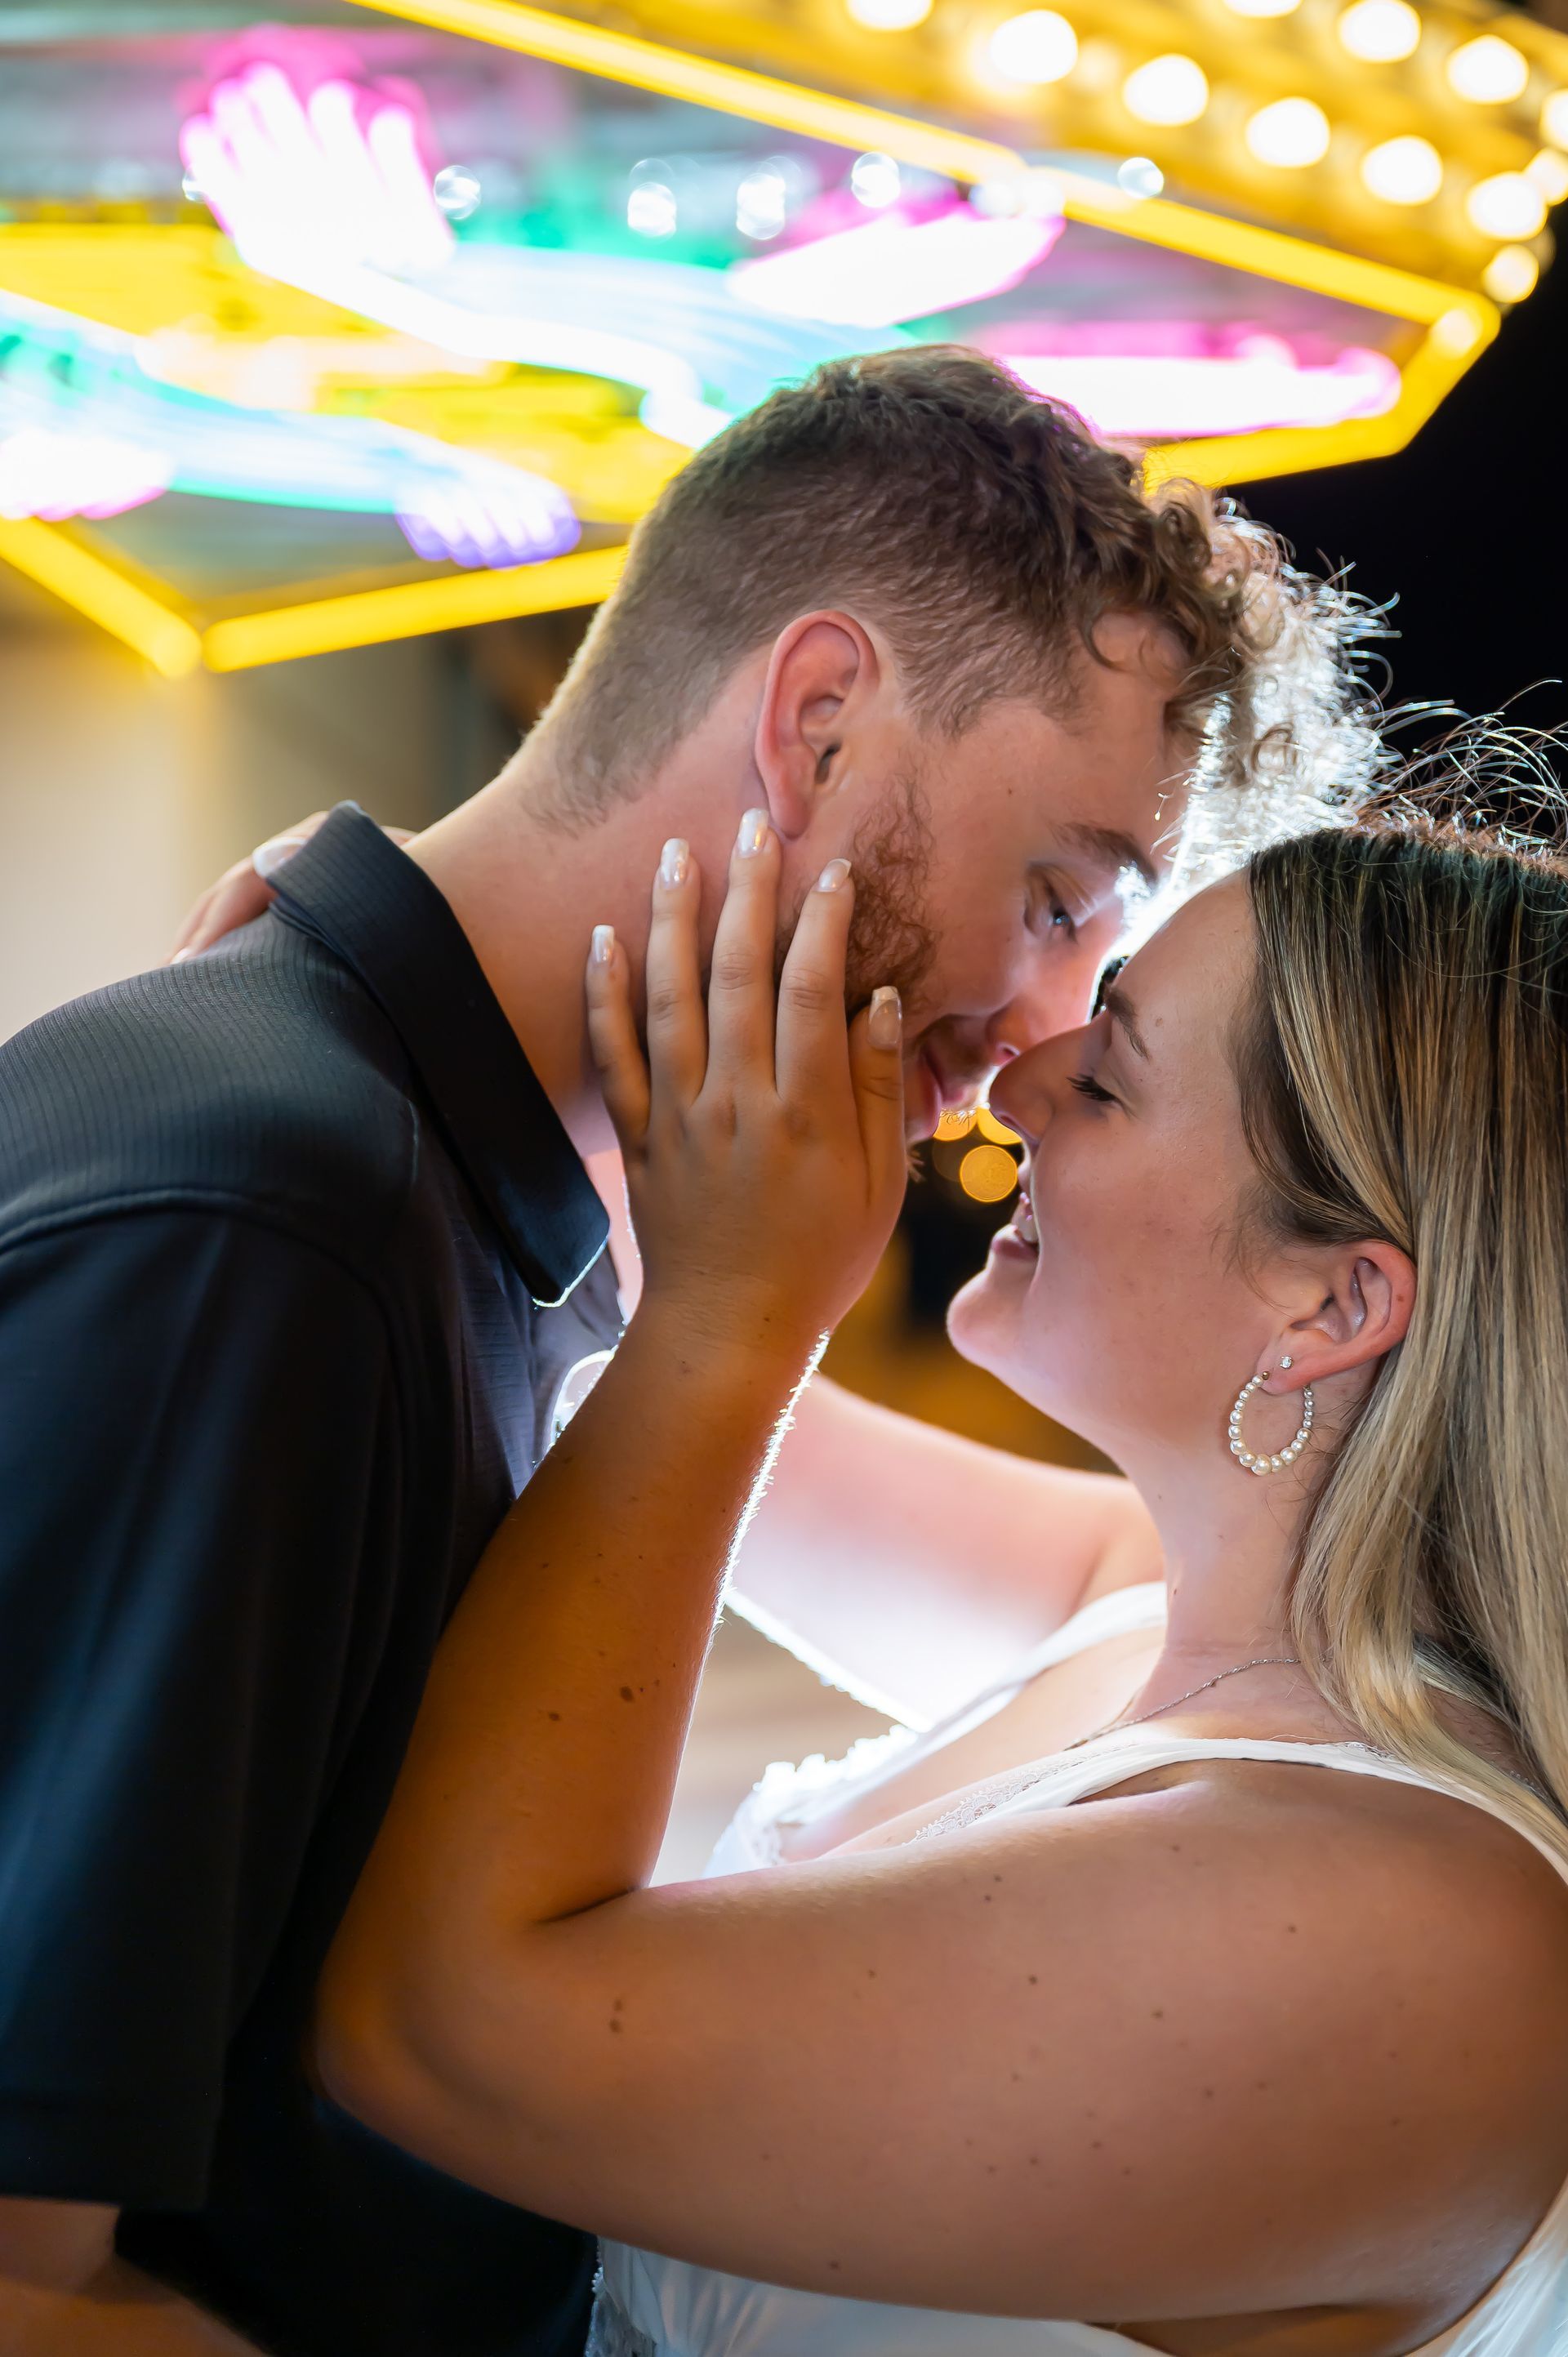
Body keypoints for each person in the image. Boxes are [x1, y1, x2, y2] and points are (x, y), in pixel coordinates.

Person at [0, 350, 1364, 2357]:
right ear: (816, 722)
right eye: (1060, 894)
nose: (1036, 1032)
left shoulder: (453, 1216)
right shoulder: (268, 1230)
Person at [310, 784, 1568, 2357]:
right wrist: (356, 955)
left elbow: (438, 2026)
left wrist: (738, 1313)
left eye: (1107, 1079)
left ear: (1331, 1306)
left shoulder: (1423, 1938)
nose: (1017, 1086)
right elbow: (641, 1310)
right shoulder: (1137, 1599)